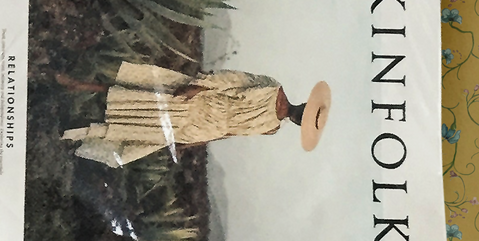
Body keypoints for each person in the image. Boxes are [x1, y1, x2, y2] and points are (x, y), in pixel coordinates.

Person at [56, 64, 331, 166]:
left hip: (202, 129)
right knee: (138, 98)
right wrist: (197, 87)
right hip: (201, 104)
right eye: (303, 113)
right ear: (304, 105)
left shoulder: (272, 128)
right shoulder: (272, 87)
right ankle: (78, 85)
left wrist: (195, 144)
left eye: (301, 121)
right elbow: (229, 79)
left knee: (140, 129)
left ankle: (76, 132)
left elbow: (230, 133)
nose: (297, 118)